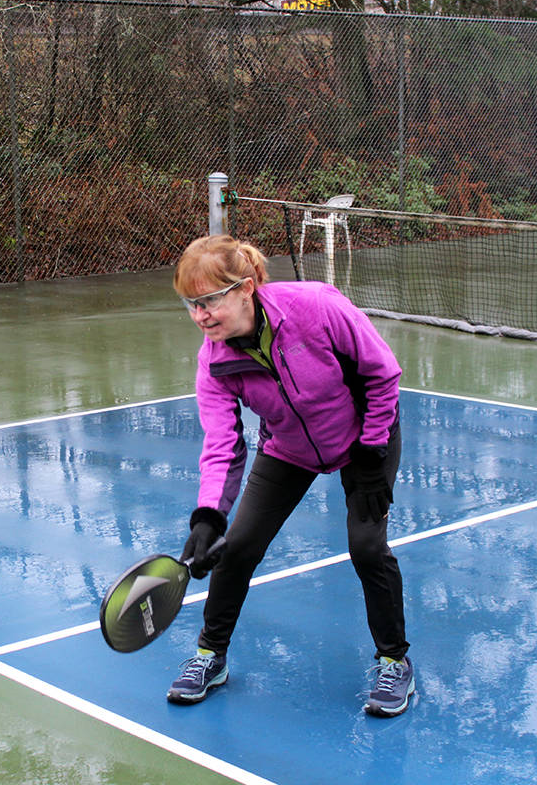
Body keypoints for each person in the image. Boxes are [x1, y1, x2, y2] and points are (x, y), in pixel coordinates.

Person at [167, 234, 413, 717]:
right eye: (191, 304)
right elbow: (223, 442)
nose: (201, 315)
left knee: (366, 545)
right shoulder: (213, 362)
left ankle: (394, 661)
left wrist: (370, 453)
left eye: (210, 300)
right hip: (290, 447)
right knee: (235, 547)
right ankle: (209, 656)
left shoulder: (316, 307)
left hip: (366, 434)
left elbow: (382, 374)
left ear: (247, 288)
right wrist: (209, 517)